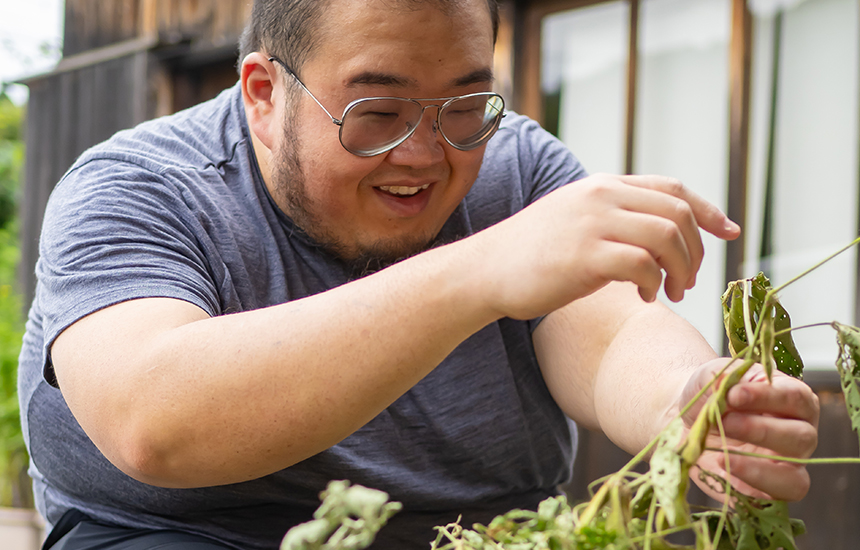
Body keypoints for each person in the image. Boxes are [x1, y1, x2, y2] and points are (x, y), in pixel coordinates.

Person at [18, 0, 819, 549]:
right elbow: (155, 422)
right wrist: (483, 272)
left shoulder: (521, 171)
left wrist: (691, 402)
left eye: (466, 108)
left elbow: (610, 339)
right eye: (377, 114)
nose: (427, 156)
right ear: (264, 96)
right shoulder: (138, 188)